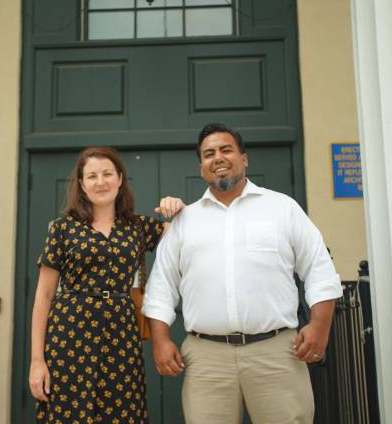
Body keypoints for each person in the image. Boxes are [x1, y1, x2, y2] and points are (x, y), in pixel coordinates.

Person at [142, 123, 343, 424]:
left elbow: (319, 269)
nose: (218, 158)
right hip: (206, 358)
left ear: (244, 158)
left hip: (276, 353)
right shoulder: (185, 221)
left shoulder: (282, 209)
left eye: (226, 150)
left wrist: (319, 326)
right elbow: (161, 288)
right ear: (201, 167)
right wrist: (160, 340)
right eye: (209, 154)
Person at [29, 147, 184, 424]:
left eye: (107, 174)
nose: (100, 182)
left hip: (121, 337)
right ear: (81, 184)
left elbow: (188, 236)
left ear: (120, 178)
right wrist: (37, 361)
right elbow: (44, 295)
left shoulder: (138, 227)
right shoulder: (62, 229)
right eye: (92, 176)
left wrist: (179, 209)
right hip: (69, 338)